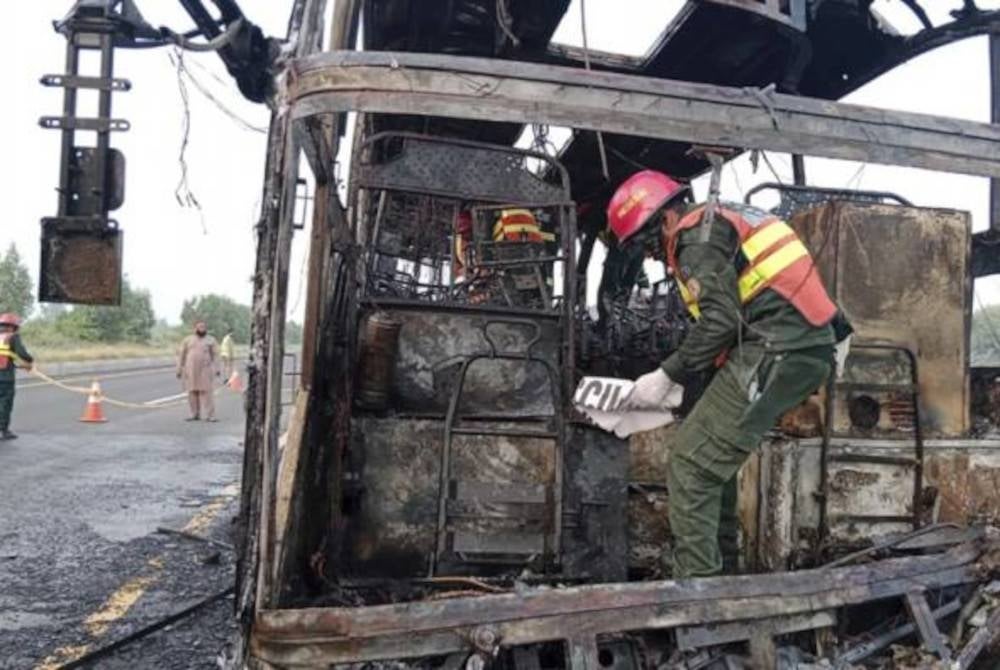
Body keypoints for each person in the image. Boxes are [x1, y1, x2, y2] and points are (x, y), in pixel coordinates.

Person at [606, 170, 851, 578]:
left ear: (664, 219)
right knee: (711, 464)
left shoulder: (693, 238)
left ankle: (698, 600)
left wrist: (668, 374)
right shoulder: (725, 218)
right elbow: (758, 299)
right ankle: (723, 582)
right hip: (794, 345)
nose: (651, 256)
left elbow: (721, 320)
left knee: (690, 462)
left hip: (776, 348)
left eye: (647, 244)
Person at [0, 313, 34, 440]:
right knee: (5, 403)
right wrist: (30, 361)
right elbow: (22, 353)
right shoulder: (12, 337)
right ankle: (3, 430)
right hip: (5, 377)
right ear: (13, 326)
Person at [177, 320, 219, 422]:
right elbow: (181, 355)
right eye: (199, 327)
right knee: (192, 392)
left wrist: (217, 369)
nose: (202, 329)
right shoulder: (187, 340)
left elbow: (215, 356)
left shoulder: (211, 340)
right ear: (195, 328)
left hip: (205, 370)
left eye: (203, 327)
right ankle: (194, 414)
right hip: (190, 370)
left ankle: (210, 415)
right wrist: (179, 368)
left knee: (207, 393)